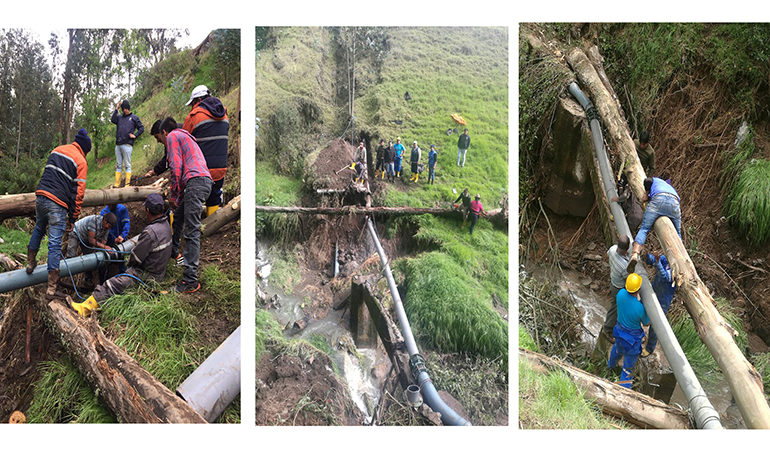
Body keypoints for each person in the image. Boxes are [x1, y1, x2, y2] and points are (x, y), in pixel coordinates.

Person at [71, 194, 172, 318]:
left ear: (147, 210)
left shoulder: (150, 232)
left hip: (147, 275)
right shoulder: (166, 225)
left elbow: (136, 257)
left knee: (112, 284)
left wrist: (128, 262)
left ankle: (83, 309)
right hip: (158, 273)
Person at [26, 129, 91, 298]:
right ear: (85, 149)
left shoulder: (57, 149)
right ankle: (51, 288)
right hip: (57, 203)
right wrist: (73, 217)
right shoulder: (81, 161)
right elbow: (78, 194)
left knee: (39, 229)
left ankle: (30, 263)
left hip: (41, 196)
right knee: (55, 243)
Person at [161, 117, 213, 293]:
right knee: (179, 219)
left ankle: (190, 280)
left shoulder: (172, 136)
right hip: (203, 181)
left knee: (191, 231)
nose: (162, 142)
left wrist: (174, 195)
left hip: (195, 182)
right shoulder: (188, 136)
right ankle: (174, 253)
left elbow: (176, 167)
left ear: (164, 132)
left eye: (159, 138)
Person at [183, 85, 230, 216]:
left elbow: (184, 141)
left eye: (192, 103)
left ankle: (193, 225)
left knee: (191, 197)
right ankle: (212, 224)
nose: (192, 107)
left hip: (201, 171)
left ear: (197, 100)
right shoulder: (224, 115)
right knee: (214, 196)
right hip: (221, 168)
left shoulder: (194, 116)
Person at [626, 177, 681, 273]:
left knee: (644, 228)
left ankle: (635, 254)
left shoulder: (656, 180)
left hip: (658, 200)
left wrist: (646, 194)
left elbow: (647, 181)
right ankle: (678, 260)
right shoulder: (670, 188)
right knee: (678, 233)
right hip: (674, 203)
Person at [608, 273, 649, 389]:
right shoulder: (640, 308)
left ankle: (609, 368)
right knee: (627, 369)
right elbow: (646, 323)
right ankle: (623, 391)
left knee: (616, 350)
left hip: (619, 332)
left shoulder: (620, 294)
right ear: (638, 289)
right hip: (632, 340)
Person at [65, 213, 117, 289]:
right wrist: (105, 247)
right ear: (105, 221)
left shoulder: (106, 228)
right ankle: (64, 275)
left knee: (88, 259)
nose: (108, 228)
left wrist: (104, 248)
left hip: (86, 238)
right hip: (76, 233)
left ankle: (88, 280)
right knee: (71, 256)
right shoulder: (94, 221)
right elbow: (91, 241)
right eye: (109, 226)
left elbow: (103, 241)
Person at [641, 253, 676, 357]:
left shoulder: (677, 269)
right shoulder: (666, 258)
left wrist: (657, 262)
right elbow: (654, 260)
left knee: (656, 324)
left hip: (663, 300)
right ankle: (640, 334)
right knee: (641, 309)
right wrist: (647, 256)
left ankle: (649, 348)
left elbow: (665, 277)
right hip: (654, 290)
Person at [600, 235, 631, 342]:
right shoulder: (624, 266)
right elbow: (629, 279)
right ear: (627, 249)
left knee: (616, 306)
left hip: (613, 281)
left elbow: (607, 253)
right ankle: (607, 330)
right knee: (615, 308)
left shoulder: (613, 249)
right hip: (618, 288)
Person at [110, 99, 144, 188]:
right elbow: (112, 120)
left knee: (127, 165)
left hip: (127, 145)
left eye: (126, 108)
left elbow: (141, 128)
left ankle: (127, 185)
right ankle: (117, 184)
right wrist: (116, 109)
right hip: (118, 145)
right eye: (123, 109)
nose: (124, 110)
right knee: (119, 165)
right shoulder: (119, 117)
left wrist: (135, 135)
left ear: (128, 108)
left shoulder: (134, 118)